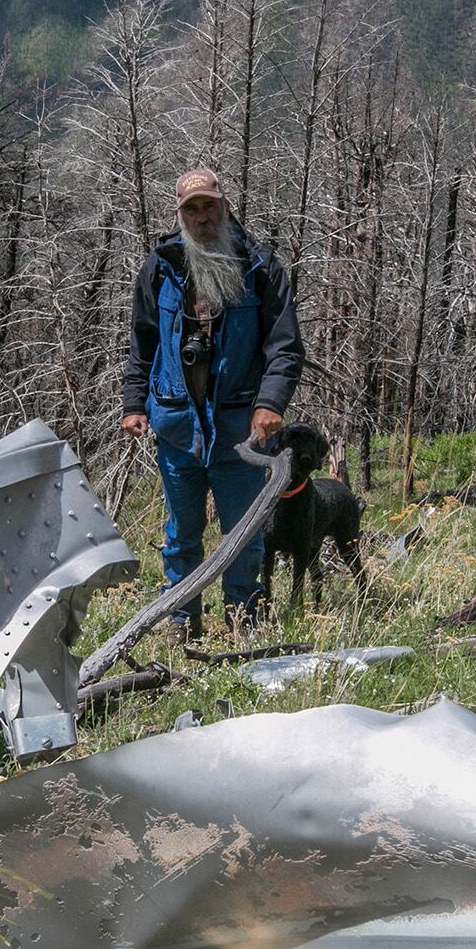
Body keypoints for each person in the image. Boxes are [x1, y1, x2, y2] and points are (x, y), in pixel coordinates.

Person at [121, 168, 305, 640]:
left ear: (225, 207)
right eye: (191, 209)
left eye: (209, 206)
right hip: (178, 424)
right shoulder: (160, 267)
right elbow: (143, 342)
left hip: (240, 428)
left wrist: (270, 403)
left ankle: (243, 619)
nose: (202, 217)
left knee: (243, 532)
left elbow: (284, 346)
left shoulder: (259, 267)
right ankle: (181, 620)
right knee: (182, 532)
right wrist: (133, 403)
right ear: (179, 215)